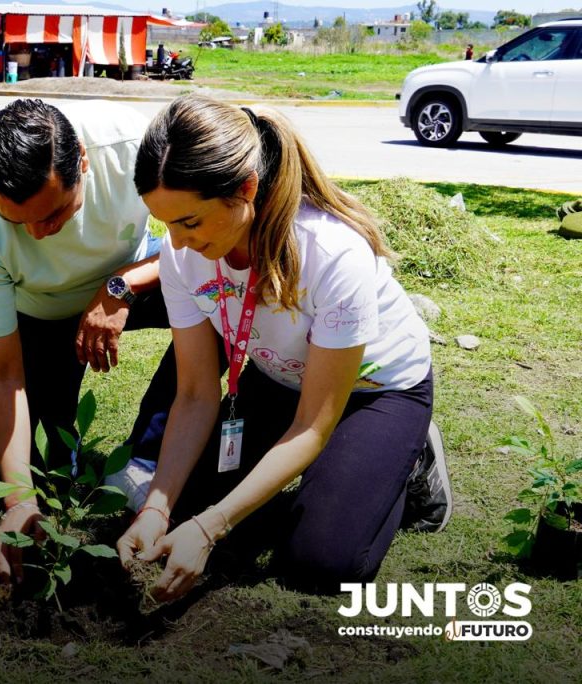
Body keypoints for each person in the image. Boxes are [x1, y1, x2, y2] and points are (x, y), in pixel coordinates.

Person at [116, 95, 451, 600]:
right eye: (165, 224)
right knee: (184, 502)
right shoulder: (183, 256)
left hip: (376, 391)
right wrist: (156, 509)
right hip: (281, 378)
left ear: (245, 190)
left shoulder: (332, 253)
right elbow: (194, 394)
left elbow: (313, 424)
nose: (177, 245)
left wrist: (212, 529)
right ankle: (343, 472)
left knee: (323, 563)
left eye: (189, 222)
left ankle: (409, 456)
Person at [0, 99, 177, 584]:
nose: (39, 234)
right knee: (48, 468)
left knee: (212, 300)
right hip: (43, 313)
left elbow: (197, 243)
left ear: (83, 162)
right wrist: (17, 501)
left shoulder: (132, 144)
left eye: (54, 214)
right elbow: (1, 372)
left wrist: (121, 286)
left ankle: (145, 456)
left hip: (130, 282)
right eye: (19, 222)